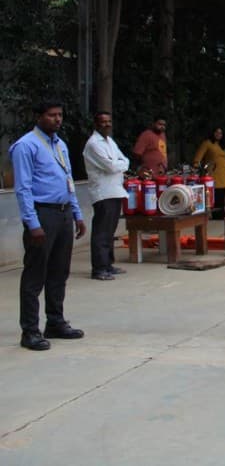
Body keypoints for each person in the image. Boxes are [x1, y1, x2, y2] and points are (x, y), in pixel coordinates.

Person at [11, 100, 88, 351]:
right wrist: (32, 223)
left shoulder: (60, 145)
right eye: (52, 115)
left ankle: (55, 322)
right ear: (39, 117)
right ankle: (30, 330)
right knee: (35, 274)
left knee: (59, 271)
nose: (57, 119)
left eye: (60, 114)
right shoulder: (26, 146)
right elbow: (23, 188)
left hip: (64, 213)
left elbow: (68, 181)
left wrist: (77, 214)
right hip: (42, 214)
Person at [82, 111, 130, 281]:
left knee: (110, 231)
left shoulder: (110, 141)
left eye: (109, 121)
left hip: (115, 190)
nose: (107, 125)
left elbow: (124, 160)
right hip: (103, 193)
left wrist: (120, 164)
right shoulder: (94, 144)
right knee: (102, 232)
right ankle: (99, 269)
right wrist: (120, 164)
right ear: (96, 124)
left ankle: (108, 264)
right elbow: (110, 166)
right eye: (103, 122)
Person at [193, 127, 225, 218]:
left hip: (223, 175)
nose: (218, 134)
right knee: (214, 195)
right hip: (213, 174)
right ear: (212, 133)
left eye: (220, 133)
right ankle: (217, 214)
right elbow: (198, 157)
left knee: (222, 195)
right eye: (216, 132)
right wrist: (196, 165)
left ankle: (221, 213)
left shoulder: (222, 146)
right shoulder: (207, 143)